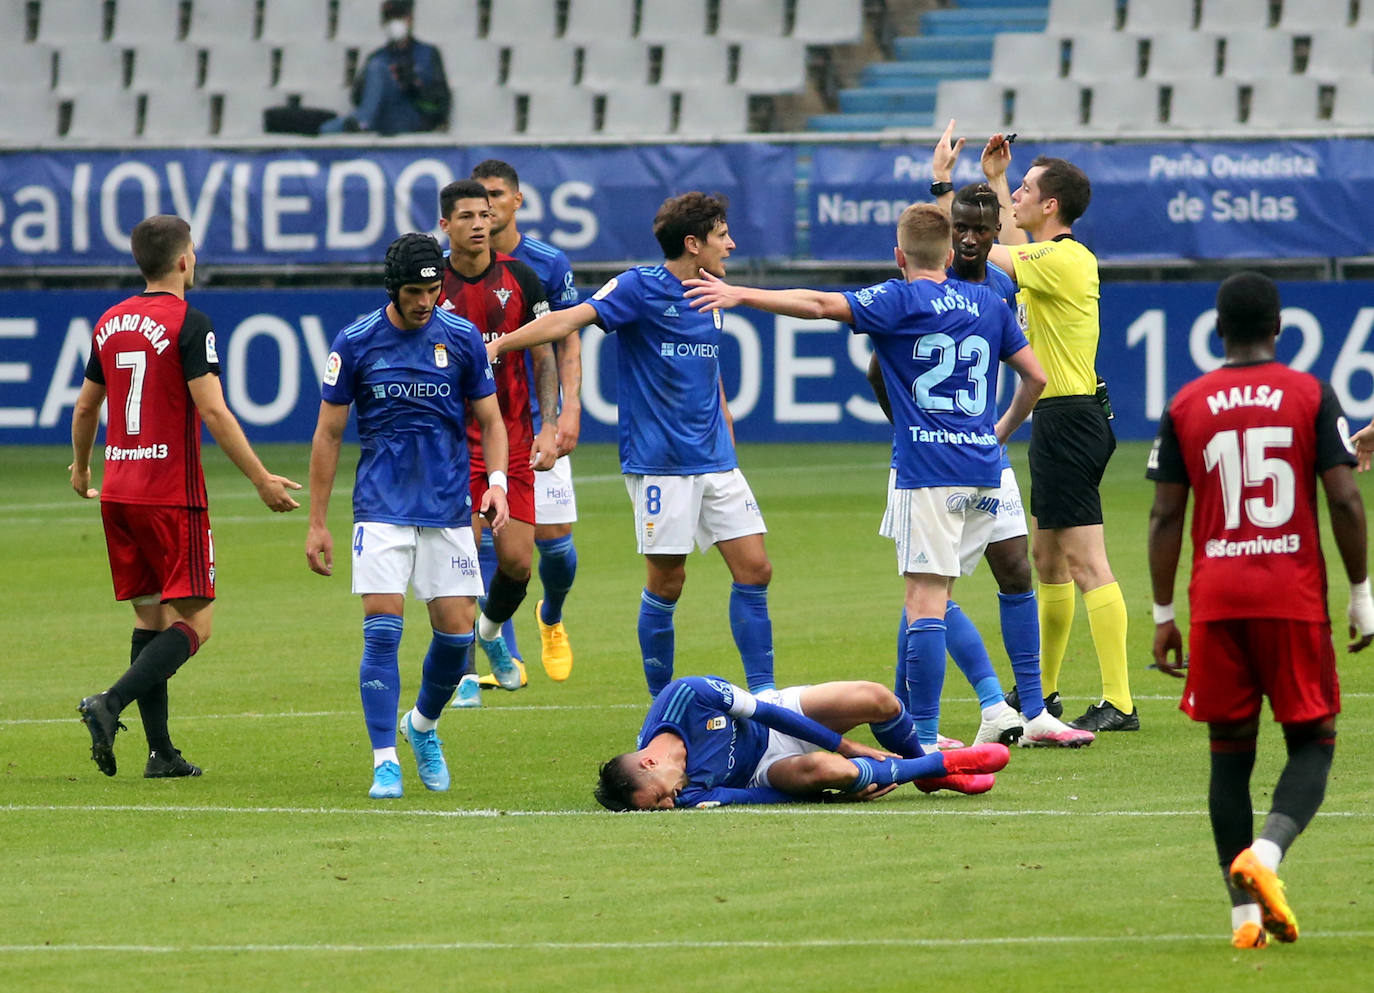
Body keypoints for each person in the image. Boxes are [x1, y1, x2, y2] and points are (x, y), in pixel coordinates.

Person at [682, 203, 1049, 767]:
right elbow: (1036, 377)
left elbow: (820, 304)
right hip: (984, 473)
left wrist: (743, 295)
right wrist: (999, 432)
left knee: (924, 603)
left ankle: (924, 738)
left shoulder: (897, 298)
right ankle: (985, 710)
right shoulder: (988, 300)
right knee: (944, 597)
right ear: (951, 255)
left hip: (927, 471)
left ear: (899, 257)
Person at [1146, 272, 1374, 948]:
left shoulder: (1187, 401)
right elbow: (1344, 499)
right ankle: (1266, 856)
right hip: (1291, 596)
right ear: (1280, 327)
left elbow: (1163, 516)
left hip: (1216, 600)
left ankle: (1243, 918)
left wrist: (1163, 611)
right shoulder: (1308, 393)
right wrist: (1362, 593)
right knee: (1314, 740)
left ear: (1219, 330)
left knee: (1228, 757)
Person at [486, 192, 777, 699]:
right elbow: (568, 320)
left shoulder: (712, 295)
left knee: (756, 569)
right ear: (692, 243)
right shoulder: (641, 287)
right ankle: (661, 705)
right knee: (668, 582)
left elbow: (709, 376)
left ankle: (768, 695)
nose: (731, 244)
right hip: (661, 463)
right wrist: (501, 343)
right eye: (721, 235)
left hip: (717, 462)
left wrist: (726, 436)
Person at [868, 169, 1093, 750]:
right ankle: (959, 712)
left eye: (979, 229)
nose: (969, 239)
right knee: (929, 592)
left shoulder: (999, 286)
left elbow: (1028, 374)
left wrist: (995, 432)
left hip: (983, 455)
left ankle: (1033, 710)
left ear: (997, 232)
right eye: (960, 229)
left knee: (1015, 567)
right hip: (927, 462)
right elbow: (878, 370)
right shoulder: (920, 289)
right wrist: (919, 428)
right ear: (948, 237)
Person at [71, 214, 301, 778]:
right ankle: (109, 703)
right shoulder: (189, 323)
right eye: (192, 250)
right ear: (182, 259)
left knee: (151, 620)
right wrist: (261, 478)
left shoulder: (109, 322)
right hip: (169, 494)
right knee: (196, 625)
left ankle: (160, 753)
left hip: (119, 493)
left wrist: (81, 468)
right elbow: (213, 408)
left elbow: (85, 407)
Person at [305, 232, 509, 799]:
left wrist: (496, 485)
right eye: (415, 292)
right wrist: (318, 522)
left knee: (454, 637)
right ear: (393, 289)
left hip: (447, 509)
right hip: (381, 509)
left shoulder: (463, 338)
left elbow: (492, 422)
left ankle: (421, 726)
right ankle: (384, 761)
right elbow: (328, 434)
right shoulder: (356, 342)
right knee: (382, 633)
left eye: (434, 289)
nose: (426, 301)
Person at [975, 123, 1135, 733]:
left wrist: (950, 207)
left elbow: (990, 251)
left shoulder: (1065, 257)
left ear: (1052, 206)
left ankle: (1119, 700)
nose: (1015, 197)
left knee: (1086, 559)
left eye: (1025, 190)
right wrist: (996, 178)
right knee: (1047, 559)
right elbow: (1015, 244)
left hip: (1070, 418)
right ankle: (1040, 694)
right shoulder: (1052, 256)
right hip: (1061, 416)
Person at [434, 179, 559, 708]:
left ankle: (488, 634)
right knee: (460, 558)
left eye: (484, 214)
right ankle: (462, 673)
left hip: (512, 439)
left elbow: (544, 355)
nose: (479, 224)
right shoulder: (428, 282)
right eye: (466, 216)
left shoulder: (521, 277)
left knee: (517, 564)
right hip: (452, 444)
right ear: (445, 225)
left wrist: (550, 422)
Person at [469, 159, 582, 686]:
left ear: (517, 200)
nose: (487, 206)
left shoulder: (542, 263)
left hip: (533, 420)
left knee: (555, 544)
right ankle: (502, 655)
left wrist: (565, 411)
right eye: (477, 197)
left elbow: (564, 341)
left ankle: (551, 615)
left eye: (495, 194)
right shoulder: (452, 266)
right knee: (488, 538)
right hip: (479, 431)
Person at [594, 675, 1012, 809]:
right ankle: (933, 768)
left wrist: (845, 744)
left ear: (648, 764)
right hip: (766, 772)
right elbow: (753, 798)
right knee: (825, 771)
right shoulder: (686, 796)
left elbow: (767, 713)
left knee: (877, 698)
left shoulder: (686, 696)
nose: (669, 806)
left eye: (658, 799)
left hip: (777, 718)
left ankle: (924, 771)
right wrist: (828, 797)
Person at [320, 0, 450, 136]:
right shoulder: (377, 57)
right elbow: (357, 97)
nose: (394, 22)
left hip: (413, 116)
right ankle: (362, 123)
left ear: (410, 19)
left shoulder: (428, 53)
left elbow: (441, 100)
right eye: (389, 18)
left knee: (377, 68)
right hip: (382, 116)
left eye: (399, 17)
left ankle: (362, 123)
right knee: (327, 129)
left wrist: (414, 86)